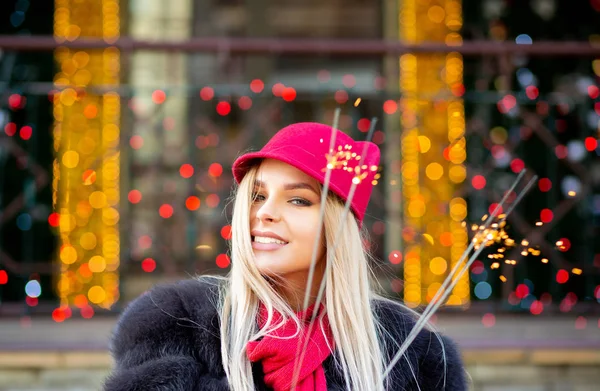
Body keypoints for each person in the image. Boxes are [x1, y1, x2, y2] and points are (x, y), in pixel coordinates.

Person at [103, 122, 468, 391]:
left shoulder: (416, 352)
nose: (264, 213)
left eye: (298, 200)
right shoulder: (176, 322)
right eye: (258, 196)